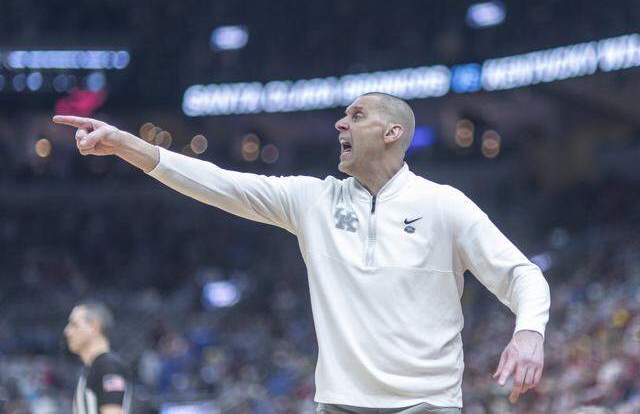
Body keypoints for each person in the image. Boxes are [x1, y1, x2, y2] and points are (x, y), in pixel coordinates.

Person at [53, 92, 550, 413]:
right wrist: (126, 146)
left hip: (429, 404)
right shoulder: (314, 200)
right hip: (338, 405)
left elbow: (523, 275)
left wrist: (528, 333)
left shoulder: (444, 206)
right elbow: (219, 183)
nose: (340, 124)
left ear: (392, 133)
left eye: (356, 116)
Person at [64, 302, 131, 414]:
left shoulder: (107, 366)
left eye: (74, 324)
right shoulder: (94, 366)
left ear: (93, 327)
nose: (67, 331)